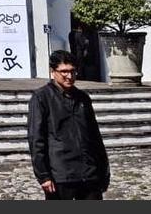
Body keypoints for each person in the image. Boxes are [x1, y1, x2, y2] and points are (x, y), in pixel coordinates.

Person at [27, 49, 110, 200]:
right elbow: (36, 138)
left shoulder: (83, 98)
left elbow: (95, 136)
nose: (69, 76)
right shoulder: (41, 98)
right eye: (64, 71)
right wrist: (44, 175)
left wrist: (103, 170)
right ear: (53, 72)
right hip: (61, 174)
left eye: (73, 71)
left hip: (89, 172)